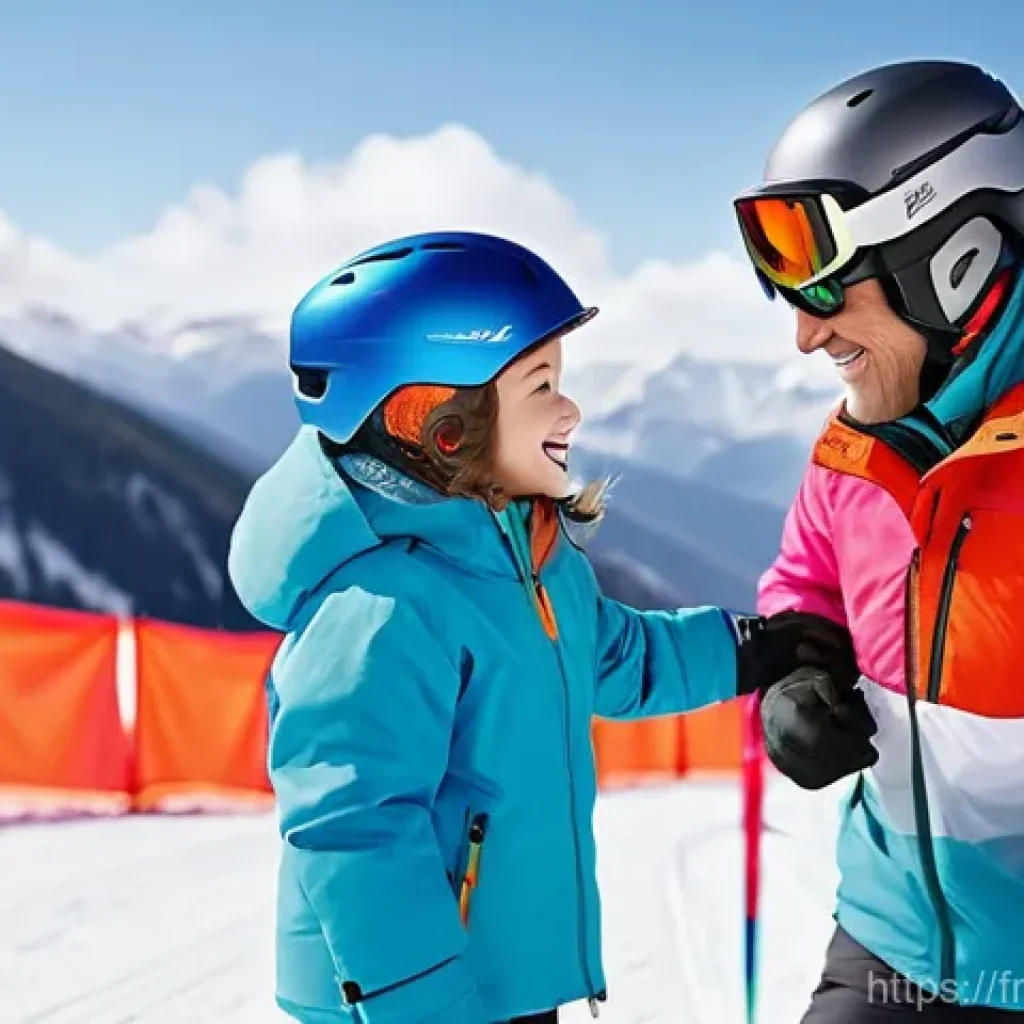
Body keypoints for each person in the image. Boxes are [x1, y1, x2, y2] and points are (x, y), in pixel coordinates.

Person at [226, 231, 845, 1024]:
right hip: (408, 1002)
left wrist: (745, 649)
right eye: (541, 385)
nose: (571, 409)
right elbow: (355, 832)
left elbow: (612, 656)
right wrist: (427, 1009)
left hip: (498, 982)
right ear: (442, 423)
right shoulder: (379, 608)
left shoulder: (525, 554)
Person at [734, 59, 1024, 1021]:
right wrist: (792, 675)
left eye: (832, 295)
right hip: (889, 940)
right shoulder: (852, 450)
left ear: (956, 259)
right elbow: (803, 582)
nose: (807, 342)